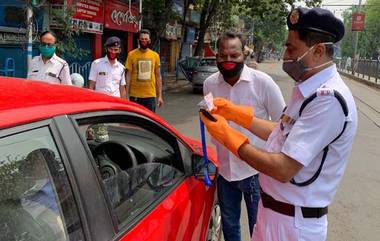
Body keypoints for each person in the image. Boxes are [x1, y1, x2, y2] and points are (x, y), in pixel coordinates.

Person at [200, 7, 358, 241]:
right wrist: (236, 115)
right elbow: (280, 132)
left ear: (318, 51)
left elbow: (283, 168)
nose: (285, 55)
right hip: (275, 214)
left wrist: (228, 136)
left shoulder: (328, 99)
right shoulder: (307, 90)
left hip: (294, 224)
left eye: (291, 48)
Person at [203, 31, 285, 241]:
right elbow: (212, 119)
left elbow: (284, 128)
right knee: (230, 228)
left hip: (256, 173)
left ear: (244, 54)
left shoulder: (263, 83)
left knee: (259, 229)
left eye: (234, 55)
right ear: (216, 57)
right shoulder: (210, 84)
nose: (228, 60)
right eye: (223, 55)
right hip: (225, 172)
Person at [125, 29, 163, 112]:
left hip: (150, 96)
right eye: (142, 39)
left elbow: (158, 76)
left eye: (146, 39)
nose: (144, 41)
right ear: (139, 40)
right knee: (135, 122)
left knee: (150, 121)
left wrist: (159, 96)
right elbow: (128, 75)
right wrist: (126, 95)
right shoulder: (131, 54)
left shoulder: (155, 56)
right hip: (135, 96)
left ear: (149, 41)